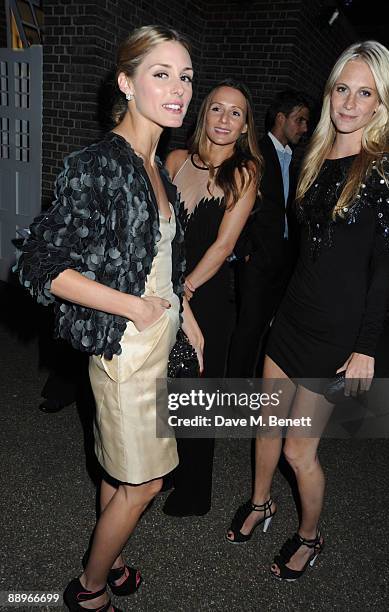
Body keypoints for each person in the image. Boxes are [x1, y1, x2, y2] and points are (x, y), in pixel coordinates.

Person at [15, 25, 202, 612]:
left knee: (121, 471)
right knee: (145, 482)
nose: (179, 89)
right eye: (161, 73)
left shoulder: (158, 166)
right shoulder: (99, 164)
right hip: (126, 348)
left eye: (186, 76)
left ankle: (111, 556)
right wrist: (134, 306)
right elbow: (40, 265)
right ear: (126, 82)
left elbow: (162, 260)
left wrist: (185, 313)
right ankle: (89, 590)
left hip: (158, 341)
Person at [226, 41, 389, 581]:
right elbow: (307, 253)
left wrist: (366, 347)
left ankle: (310, 535)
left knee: (299, 452)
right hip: (292, 318)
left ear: (382, 103)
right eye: (341, 88)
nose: (349, 103)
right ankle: (260, 506)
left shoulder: (388, 169)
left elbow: (382, 268)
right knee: (265, 427)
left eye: (364, 93)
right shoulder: (312, 156)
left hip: (336, 335)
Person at [163, 79, 262, 516]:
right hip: (160, 291)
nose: (225, 119)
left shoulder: (245, 172)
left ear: (244, 127)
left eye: (235, 113)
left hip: (204, 296)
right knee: (163, 388)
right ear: (204, 114)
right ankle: (165, 468)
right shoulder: (176, 159)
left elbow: (223, 247)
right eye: (217, 109)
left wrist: (183, 290)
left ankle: (194, 492)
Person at [228, 90, 310, 377]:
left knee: (268, 328)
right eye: (299, 120)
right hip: (257, 258)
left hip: (282, 259)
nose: (304, 128)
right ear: (280, 118)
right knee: (249, 327)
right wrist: (244, 249)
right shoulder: (257, 152)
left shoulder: (291, 158)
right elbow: (237, 200)